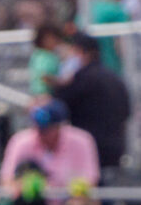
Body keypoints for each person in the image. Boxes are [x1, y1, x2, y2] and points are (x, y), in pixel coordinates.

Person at [51, 33, 132, 172]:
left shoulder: (80, 79)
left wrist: (61, 82)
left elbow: (58, 107)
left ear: (81, 52)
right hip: (115, 148)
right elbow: (127, 112)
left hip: (87, 151)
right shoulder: (114, 77)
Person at [0, 100, 99, 195]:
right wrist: (28, 186)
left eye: (48, 129)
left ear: (60, 126)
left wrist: (61, 190)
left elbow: (91, 180)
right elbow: (7, 181)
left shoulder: (81, 141)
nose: (42, 134)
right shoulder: (20, 142)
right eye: (39, 128)